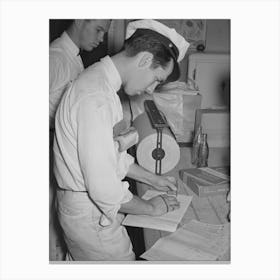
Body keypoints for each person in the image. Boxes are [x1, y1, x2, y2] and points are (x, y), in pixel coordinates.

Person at [53, 19, 190, 261]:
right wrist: (151, 207)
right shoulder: (96, 96)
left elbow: (110, 154)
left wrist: (152, 179)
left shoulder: (100, 82)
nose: (151, 88)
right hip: (90, 216)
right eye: (157, 78)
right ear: (145, 60)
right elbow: (103, 187)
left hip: (85, 211)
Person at [49, 19, 111, 261]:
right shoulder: (55, 59)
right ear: (79, 20)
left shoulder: (72, 57)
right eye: (98, 29)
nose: (102, 38)